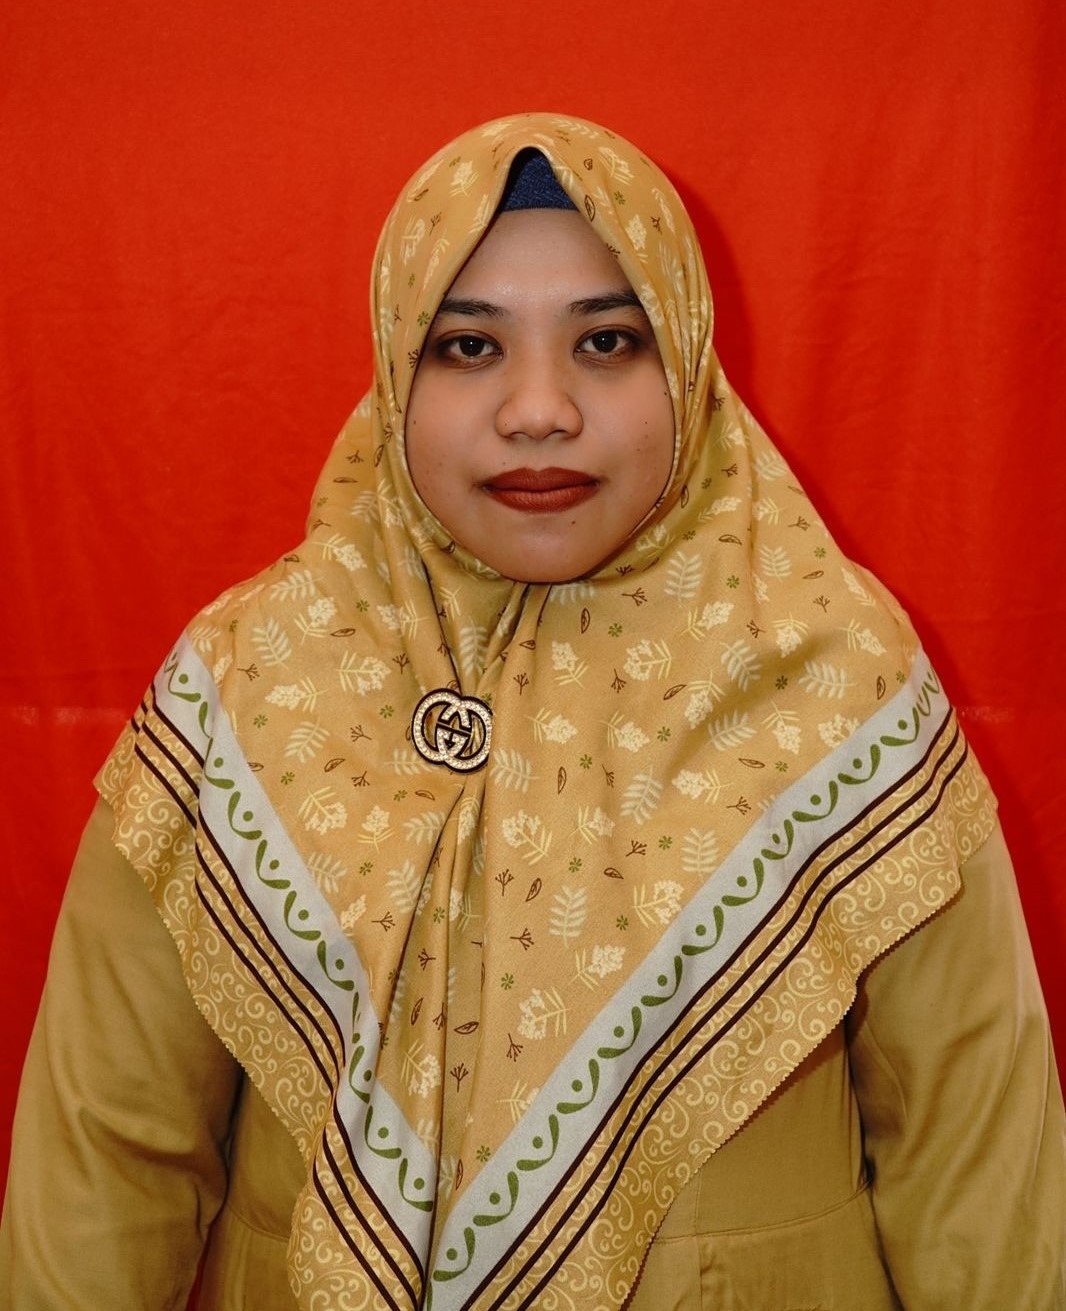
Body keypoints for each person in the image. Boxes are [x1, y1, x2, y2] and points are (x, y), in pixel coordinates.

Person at [2, 113, 1063, 1310]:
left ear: (687, 358)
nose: (540, 408)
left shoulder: (829, 671)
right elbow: (110, 1150)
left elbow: (974, 1140)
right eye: (468, 347)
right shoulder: (247, 684)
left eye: (607, 341)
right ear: (394, 367)